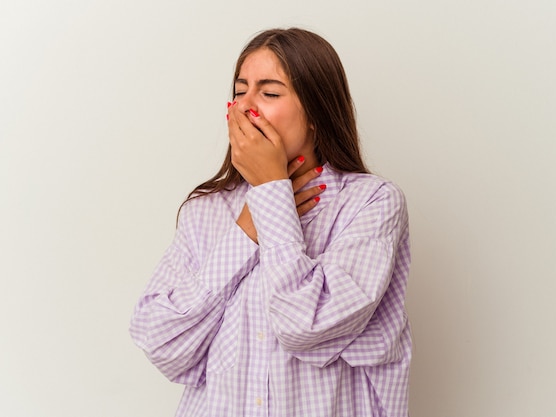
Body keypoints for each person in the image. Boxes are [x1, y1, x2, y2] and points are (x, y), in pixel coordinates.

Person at [130, 27, 412, 417]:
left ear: (316, 113)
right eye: (239, 90)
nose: (246, 106)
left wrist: (272, 194)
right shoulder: (207, 212)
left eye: (270, 92)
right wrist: (248, 229)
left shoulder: (372, 203)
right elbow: (162, 344)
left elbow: (304, 324)